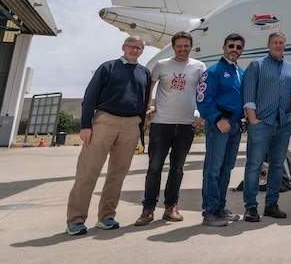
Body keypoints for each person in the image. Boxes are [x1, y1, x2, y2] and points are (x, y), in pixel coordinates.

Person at [66, 36, 152, 236]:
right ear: (123, 47)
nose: (135, 50)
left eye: (139, 48)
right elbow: (90, 97)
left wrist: (140, 130)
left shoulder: (144, 73)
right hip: (105, 121)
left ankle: (106, 217)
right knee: (88, 173)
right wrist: (86, 125)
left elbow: (143, 102)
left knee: (117, 175)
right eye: (132, 47)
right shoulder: (108, 67)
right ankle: (76, 220)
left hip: (131, 125)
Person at [135, 31, 206, 226]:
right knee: (154, 167)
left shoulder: (199, 67)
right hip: (161, 124)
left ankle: (171, 207)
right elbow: (150, 86)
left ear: (191, 46)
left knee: (177, 168)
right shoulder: (162, 65)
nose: (182, 49)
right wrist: (148, 106)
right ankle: (148, 209)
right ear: (173, 47)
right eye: (179, 46)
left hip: (185, 125)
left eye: (186, 46)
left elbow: (204, 92)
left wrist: (203, 114)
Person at [241, 32, 291, 222]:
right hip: (261, 123)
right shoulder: (256, 65)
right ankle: (251, 207)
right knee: (254, 166)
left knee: (277, 165)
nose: (278, 45)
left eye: (281, 42)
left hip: (283, 123)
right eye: (275, 42)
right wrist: (253, 120)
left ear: (285, 45)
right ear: (268, 45)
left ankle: (271, 204)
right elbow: (248, 95)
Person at [197, 33, 246, 227]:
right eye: (231, 46)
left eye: (239, 47)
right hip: (220, 124)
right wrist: (217, 119)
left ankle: (220, 208)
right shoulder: (214, 71)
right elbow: (203, 98)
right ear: (224, 47)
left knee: (227, 168)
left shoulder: (240, 72)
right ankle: (210, 211)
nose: (235, 50)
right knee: (213, 168)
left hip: (234, 125)